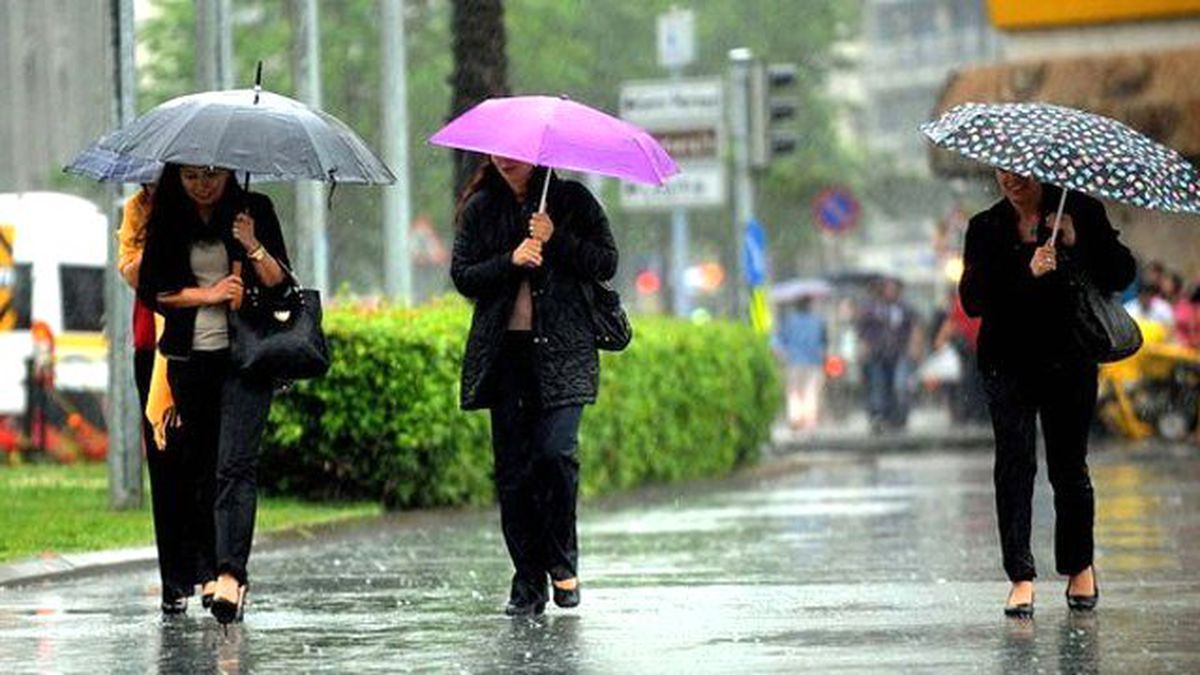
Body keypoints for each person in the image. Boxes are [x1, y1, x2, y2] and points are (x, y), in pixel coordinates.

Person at [960, 168, 1135, 618]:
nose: (1012, 181)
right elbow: (973, 299)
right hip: (1007, 363)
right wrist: (1026, 269)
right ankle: (1020, 576)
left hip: (1069, 360)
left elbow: (1121, 274)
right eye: (1003, 172)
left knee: (1069, 467)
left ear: (1042, 172)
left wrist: (1079, 241)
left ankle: (1080, 567)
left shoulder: (1078, 211)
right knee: (1014, 467)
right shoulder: (986, 226)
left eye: (1022, 173)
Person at [451, 155, 617, 616]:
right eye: (497, 151)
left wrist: (554, 238)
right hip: (506, 356)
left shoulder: (571, 201)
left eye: (515, 151)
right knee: (514, 473)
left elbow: (606, 262)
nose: (505, 159)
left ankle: (562, 563)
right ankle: (528, 579)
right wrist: (512, 259)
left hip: (564, 353)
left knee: (555, 454)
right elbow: (463, 275)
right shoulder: (482, 208)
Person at [138, 163, 290, 624]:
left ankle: (231, 576)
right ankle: (206, 569)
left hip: (245, 359)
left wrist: (251, 244)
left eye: (211, 175)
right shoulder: (168, 218)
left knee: (236, 465)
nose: (201, 185)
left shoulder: (254, 209)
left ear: (229, 172)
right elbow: (153, 291)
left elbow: (281, 283)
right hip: (191, 361)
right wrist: (207, 296)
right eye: (189, 177)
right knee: (201, 465)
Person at [117, 183, 215, 615]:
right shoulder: (139, 210)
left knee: (206, 459)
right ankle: (174, 580)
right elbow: (134, 272)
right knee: (164, 460)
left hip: (206, 340)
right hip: (151, 345)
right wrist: (160, 245)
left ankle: (212, 571)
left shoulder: (207, 207)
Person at [855, 277, 918, 431]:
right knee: (877, 384)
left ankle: (897, 416)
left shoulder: (904, 308)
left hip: (898, 352)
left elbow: (914, 326)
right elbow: (861, 329)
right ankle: (877, 416)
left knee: (898, 384)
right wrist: (863, 346)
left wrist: (914, 346)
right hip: (876, 353)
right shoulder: (871, 308)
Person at [773, 297, 827, 430]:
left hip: (794, 361)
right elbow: (824, 341)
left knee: (794, 392)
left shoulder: (789, 321)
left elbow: (778, 340)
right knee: (811, 392)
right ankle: (809, 420)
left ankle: (795, 419)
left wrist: (781, 353)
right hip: (814, 361)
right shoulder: (818, 321)